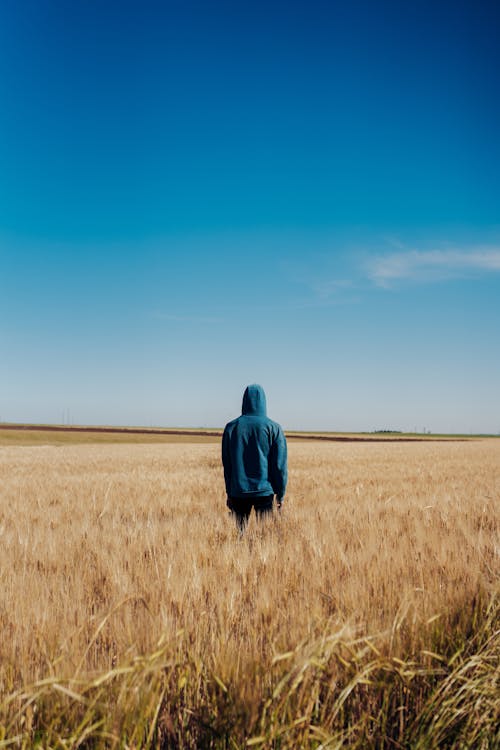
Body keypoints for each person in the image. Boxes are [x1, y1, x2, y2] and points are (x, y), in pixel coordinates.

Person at [222, 384, 288, 531]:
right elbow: (280, 467)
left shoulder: (231, 428)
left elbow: (228, 465)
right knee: (265, 538)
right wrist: (281, 495)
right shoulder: (274, 428)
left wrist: (229, 492)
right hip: (265, 492)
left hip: (238, 492)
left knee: (237, 538)